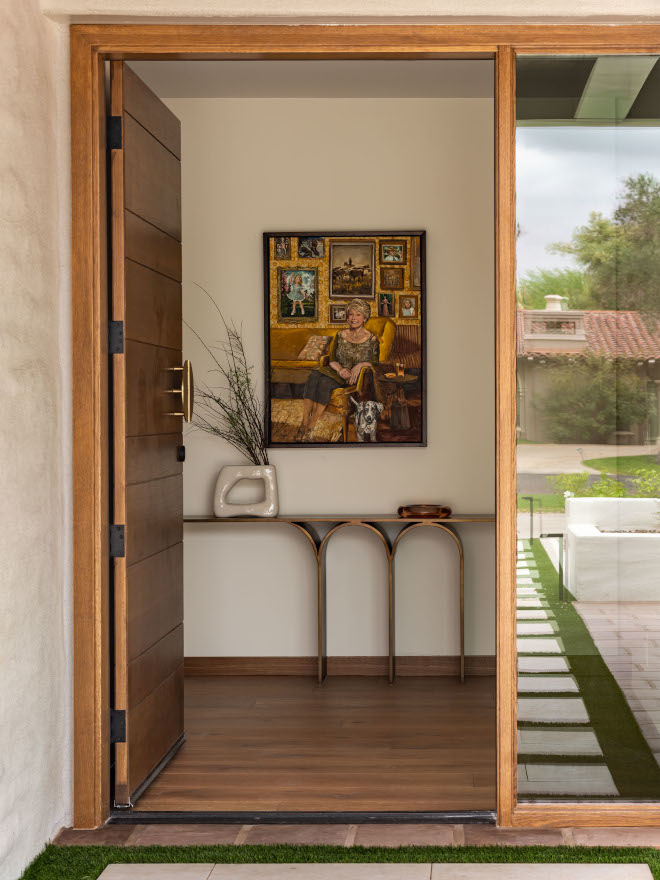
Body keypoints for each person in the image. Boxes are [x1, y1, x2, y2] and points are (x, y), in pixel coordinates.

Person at [296, 299, 379, 441]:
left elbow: (375, 363)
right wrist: (340, 369)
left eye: (357, 314)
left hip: (354, 378)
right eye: (351, 314)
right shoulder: (340, 335)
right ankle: (304, 424)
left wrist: (359, 366)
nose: (353, 318)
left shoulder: (371, 339)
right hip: (336, 371)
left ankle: (311, 426)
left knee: (324, 384)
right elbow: (332, 358)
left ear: (365, 318)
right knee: (314, 376)